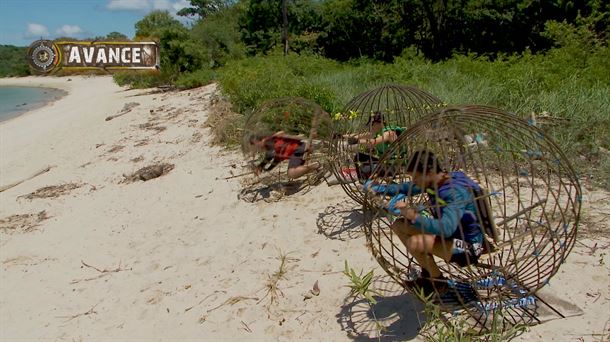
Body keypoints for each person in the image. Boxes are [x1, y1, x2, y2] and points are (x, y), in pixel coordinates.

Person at [364, 150, 484, 295]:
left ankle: (437, 282)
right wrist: (378, 188)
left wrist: (412, 215)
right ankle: (431, 276)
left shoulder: (453, 192)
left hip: (468, 247)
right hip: (452, 236)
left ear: (429, 172)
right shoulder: (435, 181)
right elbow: (405, 187)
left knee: (415, 242)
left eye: (416, 177)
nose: (414, 181)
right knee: (399, 225)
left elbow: (446, 228)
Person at [344, 111, 405, 180]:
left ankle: (368, 179)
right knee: (358, 156)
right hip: (383, 163)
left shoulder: (389, 133)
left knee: (368, 168)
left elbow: (373, 142)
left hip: (394, 167)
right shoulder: (377, 133)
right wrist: (342, 136)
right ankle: (362, 180)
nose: (371, 127)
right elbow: (357, 136)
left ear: (378, 123)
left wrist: (357, 141)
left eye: (371, 124)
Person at [248, 131, 321, 179]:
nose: (257, 147)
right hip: (297, 152)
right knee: (293, 173)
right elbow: (276, 160)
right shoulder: (271, 144)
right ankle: (314, 166)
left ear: (261, 140)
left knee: (292, 173)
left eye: (256, 145)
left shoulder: (269, 141)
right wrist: (265, 169)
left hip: (299, 149)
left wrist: (261, 166)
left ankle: (316, 165)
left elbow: (270, 155)